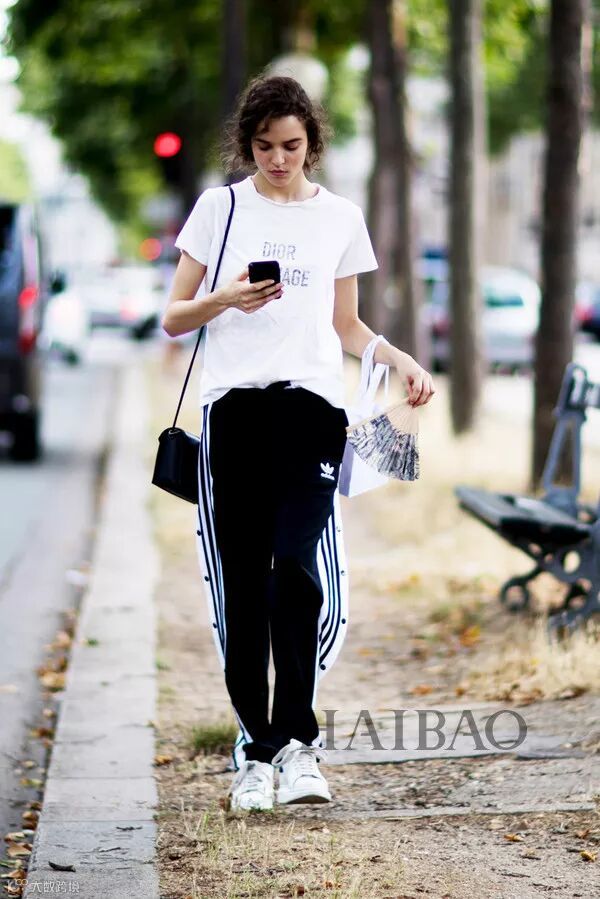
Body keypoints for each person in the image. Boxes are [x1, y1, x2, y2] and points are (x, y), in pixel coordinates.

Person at [161, 74, 435, 812]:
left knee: (296, 572)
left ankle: (298, 745)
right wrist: (226, 297)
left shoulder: (340, 217)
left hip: (313, 414)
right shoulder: (219, 209)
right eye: (263, 147)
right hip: (234, 415)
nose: (278, 160)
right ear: (246, 144)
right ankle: (255, 753)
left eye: (290, 145)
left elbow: (346, 326)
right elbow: (173, 316)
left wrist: (399, 359)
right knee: (245, 585)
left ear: (312, 141)